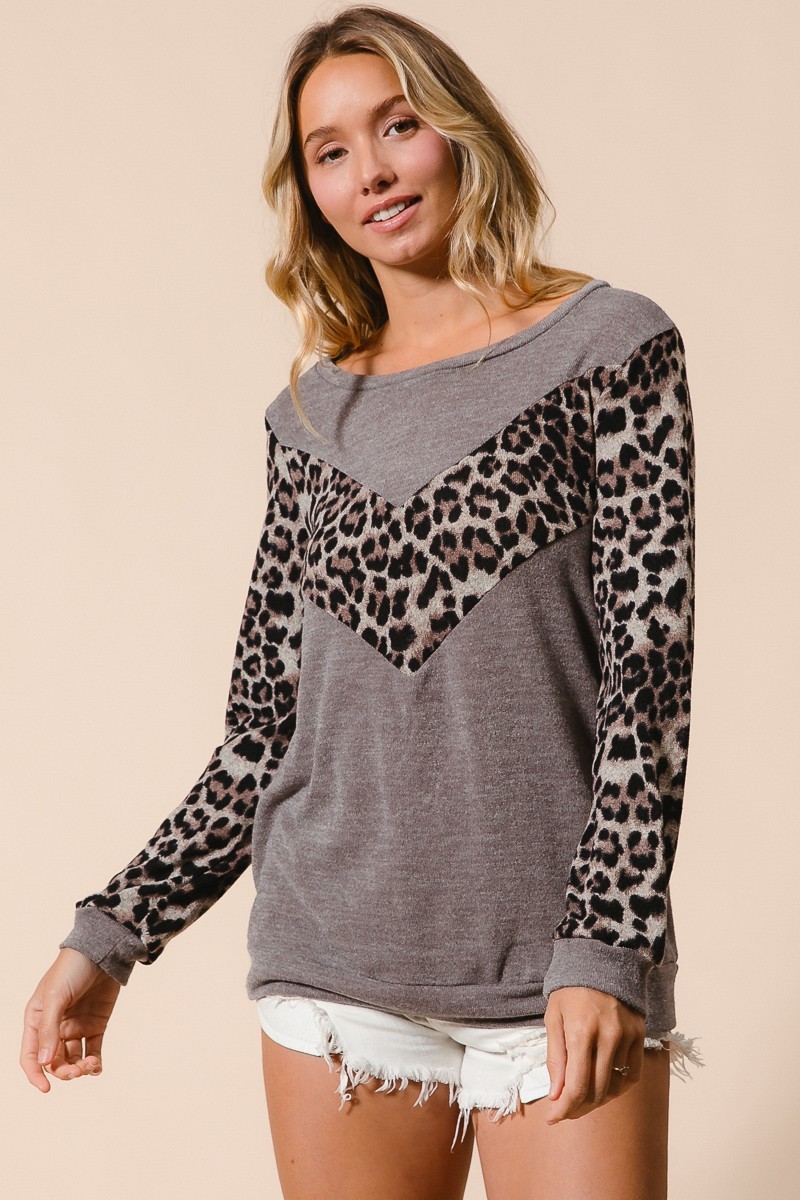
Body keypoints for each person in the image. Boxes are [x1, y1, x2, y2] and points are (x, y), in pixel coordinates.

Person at [20, 6, 704, 1198]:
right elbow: (262, 733)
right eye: (330, 152)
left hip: (553, 967)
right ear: (310, 192)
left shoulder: (608, 348)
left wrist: (605, 940)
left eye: (396, 126)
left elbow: (647, 677)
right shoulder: (309, 421)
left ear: (458, 131)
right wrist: (112, 934)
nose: (371, 172)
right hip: (333, 970)